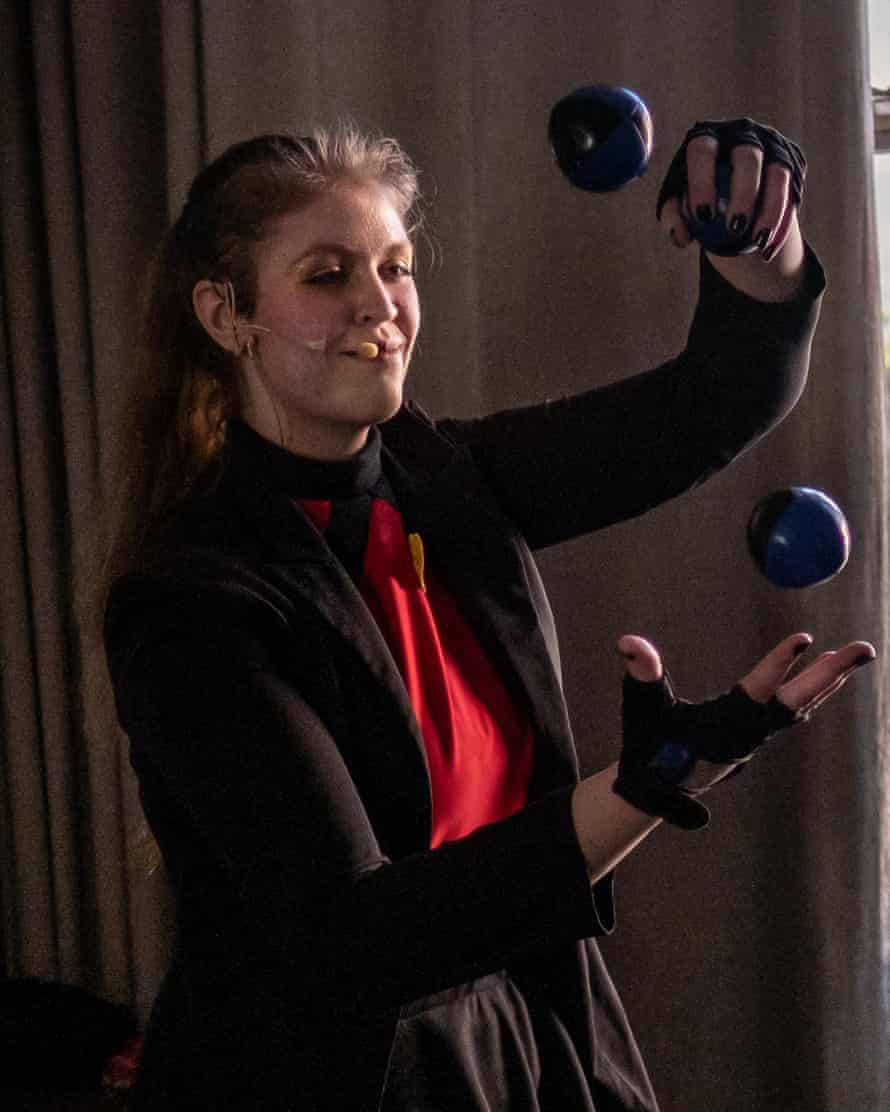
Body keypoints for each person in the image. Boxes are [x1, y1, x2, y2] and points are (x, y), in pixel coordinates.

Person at [101, 121, 874, 1111]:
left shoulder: (444, 481)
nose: (379, 306)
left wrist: (758, 251)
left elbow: (708, 402)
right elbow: (358, 935)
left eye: (395, 267)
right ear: (223, 312)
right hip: (331, 1071)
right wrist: (645, 784)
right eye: (327, 275)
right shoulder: (190, 597)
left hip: (529, 1034)